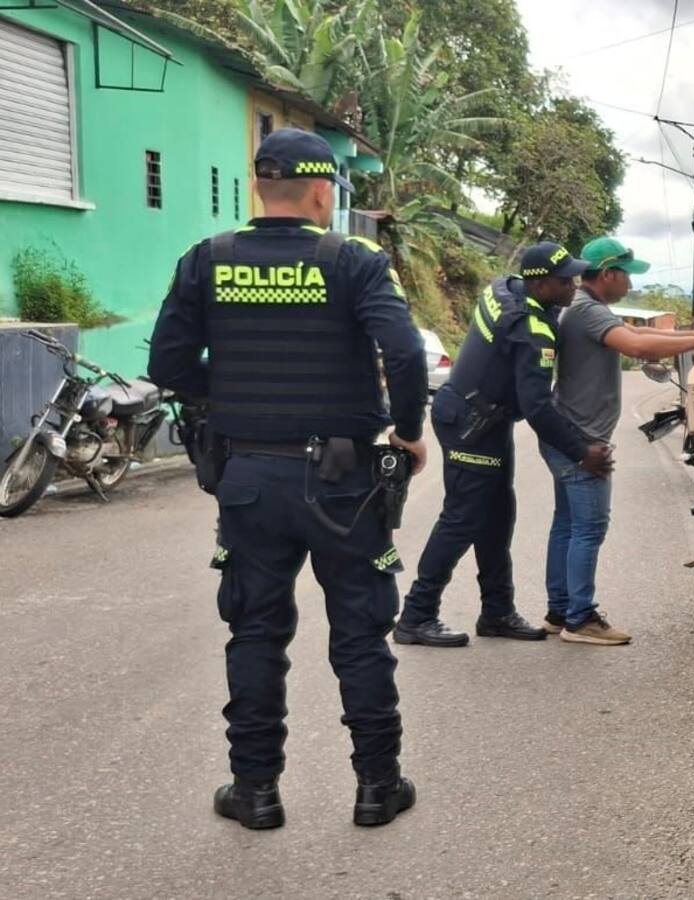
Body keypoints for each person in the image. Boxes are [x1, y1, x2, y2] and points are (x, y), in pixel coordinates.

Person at [148, 128, 428, 830]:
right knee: (360, 633)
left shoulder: (206, 259)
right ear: (320, 190)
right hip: (344, 483)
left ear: (260, 188)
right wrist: (409, 433)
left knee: (254, 631)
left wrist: (236, 388)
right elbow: (404, 352)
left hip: (247, 475)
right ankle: (376, 787)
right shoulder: (355, 260)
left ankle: (255, 792)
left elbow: (169, 368)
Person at [393, 242, 613, 648]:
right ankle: (415, 615)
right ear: (542, 284)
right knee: (461, 519)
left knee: (497, 514)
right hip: (471, 424)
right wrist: (583, 451)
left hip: (480, 419)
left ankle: (496, 611)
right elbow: (537, 408)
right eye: (565, 281)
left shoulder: (504, 288)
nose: (573, 286)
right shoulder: (532, 331)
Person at [542, 237, 694, 645]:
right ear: (608, 274)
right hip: (582, 441)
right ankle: (580, 619)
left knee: (567, 525)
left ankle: (559, 611)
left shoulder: (587, 309)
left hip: (563, 434)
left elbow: (632, 334)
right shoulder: (588, 312)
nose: (631, 287)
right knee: (588, 528)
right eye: (627, 278)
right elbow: (636, 345)